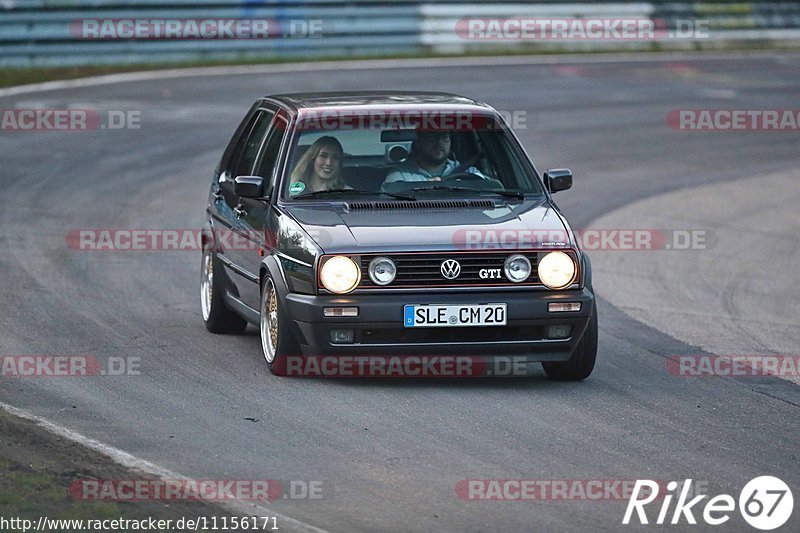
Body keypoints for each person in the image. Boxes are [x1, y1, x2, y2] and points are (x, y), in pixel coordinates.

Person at [382, 130, 485, 188]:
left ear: (451, 143)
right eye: (432, 137)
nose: (439, 142)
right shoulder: (399, 176)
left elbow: (490, 192)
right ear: (418, 142)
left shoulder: (470, 173)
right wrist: (424, 188)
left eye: (444, 137)